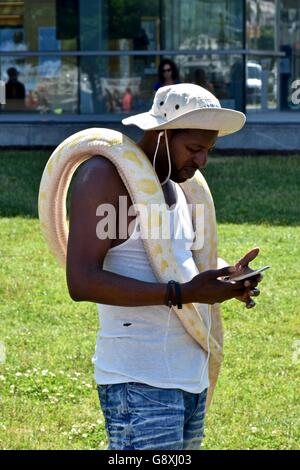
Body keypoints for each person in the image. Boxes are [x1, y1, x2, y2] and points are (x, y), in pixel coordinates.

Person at [66, 83, 263, 450]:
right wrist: (183, 293)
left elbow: (176, 260)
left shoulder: (181, 187)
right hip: (139, 383)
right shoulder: (106, 177)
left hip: (190, 380)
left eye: (208, 150)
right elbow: (81, 280)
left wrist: (228, 277)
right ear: (161, 134)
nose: (202, 160)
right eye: (194, 149)